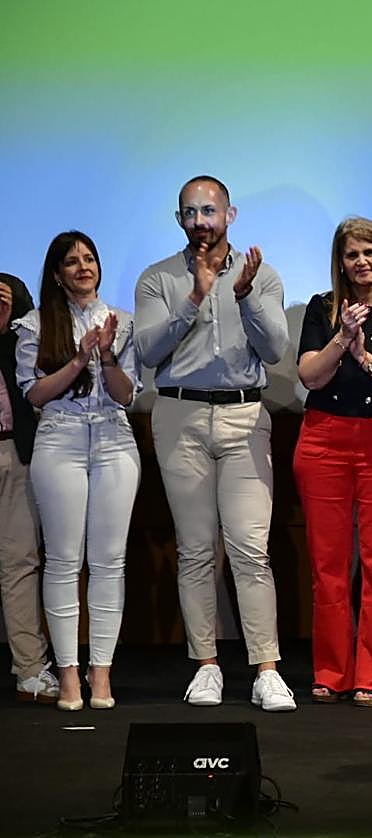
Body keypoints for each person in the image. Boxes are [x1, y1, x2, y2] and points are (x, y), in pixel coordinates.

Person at [134, 175, 296, 712]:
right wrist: (196, 296)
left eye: (210, 211)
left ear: (231, 214)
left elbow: (275, 350)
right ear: (179, 219)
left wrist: (243, 296)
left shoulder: (262, 275)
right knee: (197, 549)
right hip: (179, 413)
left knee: (252, 549)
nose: (200, 222)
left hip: (245, 414)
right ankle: (205, 665)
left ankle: (266, 669)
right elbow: (149, 350)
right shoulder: (158, 279)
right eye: (190, 213)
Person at [295, 217, 372, 707]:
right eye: (352, 255)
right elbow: (309, 376)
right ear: (340, 263)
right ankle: (331, 671)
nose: (362, 262)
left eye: (370, 253)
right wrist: (342, 338)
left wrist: (366, 356)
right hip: (324, 438)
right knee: (327, 564)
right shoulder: (321, 309)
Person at [13, 232, 140, 711]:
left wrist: (105, 356)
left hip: (113, 437)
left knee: (110, 561)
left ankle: (101, 671)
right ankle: (68, 673)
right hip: (60, 437)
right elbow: (36, 395)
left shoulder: (122, 322)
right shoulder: (32, 325)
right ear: (56, 273)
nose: (83, 267)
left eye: (90, 259)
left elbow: (128, 394)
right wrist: (79, 357)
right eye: (72, 261)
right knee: (64, 560)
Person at [1, 272, 59, 704]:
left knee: (20, 561)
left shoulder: (13, 299)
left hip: (11, 452)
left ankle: (30, 669)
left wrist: (5, 329)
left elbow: (29, 382)